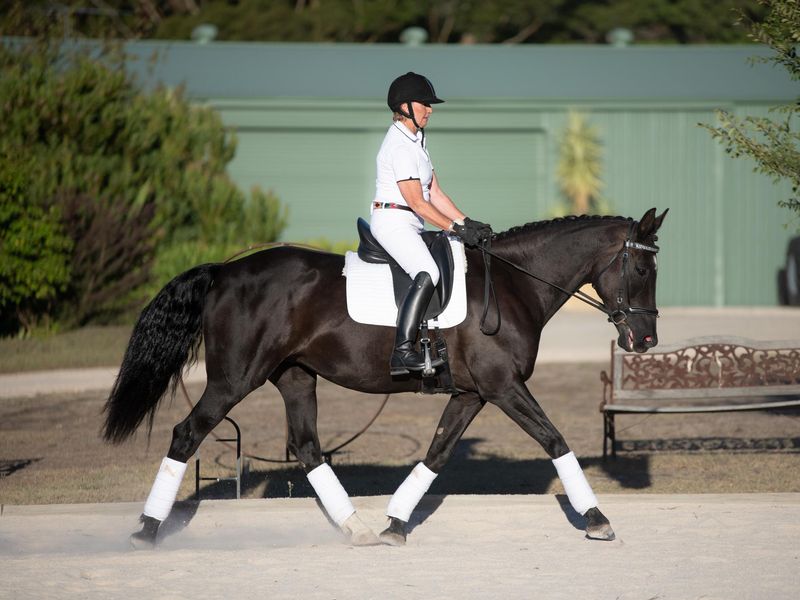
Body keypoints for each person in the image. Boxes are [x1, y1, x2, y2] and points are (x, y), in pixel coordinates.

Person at [370, 72, 492, 375]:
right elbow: (418, 202)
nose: (430, 109)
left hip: (410, 222)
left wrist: (466, 221)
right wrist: (454, 228)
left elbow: (435, 193)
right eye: (424, 103)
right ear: (406, 106)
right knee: (427, 271)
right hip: (393, 220)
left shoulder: (417, 141)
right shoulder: (399, 145)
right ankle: (401, 352)